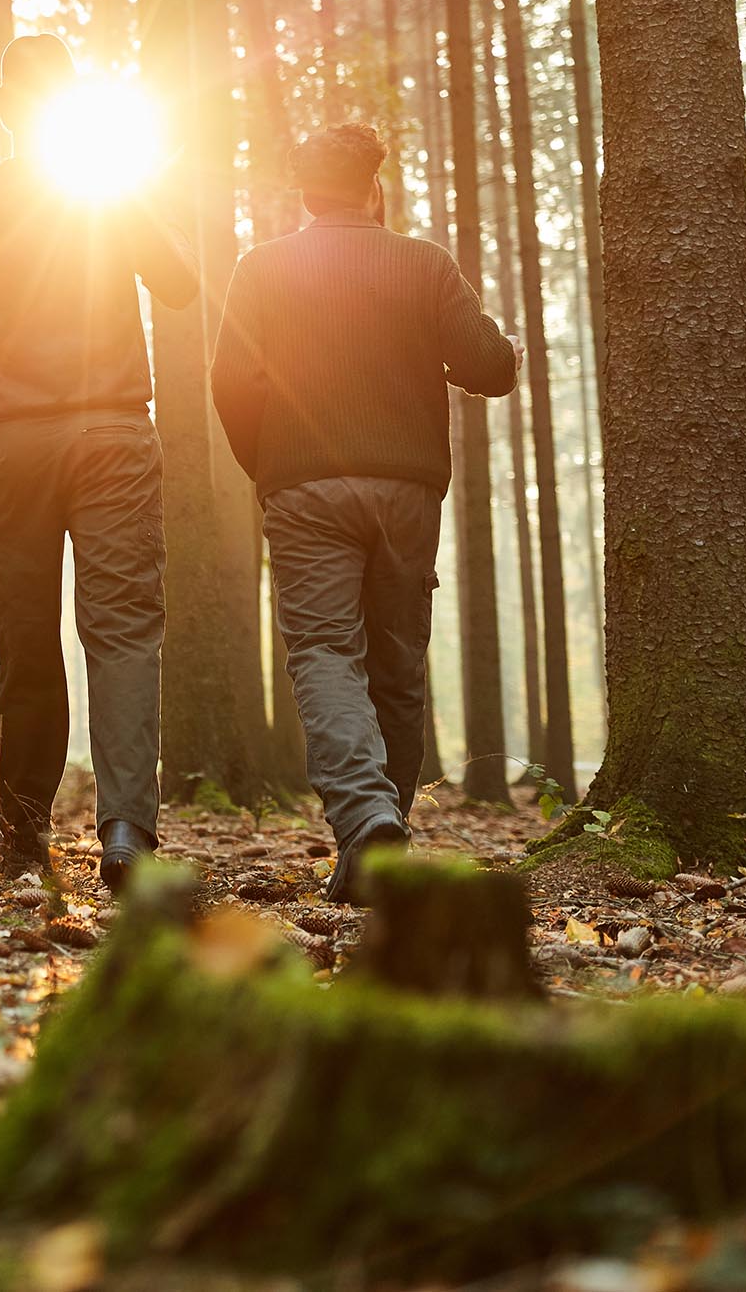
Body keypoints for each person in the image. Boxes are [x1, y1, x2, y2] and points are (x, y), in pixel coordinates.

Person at [0, 33, 196, 892]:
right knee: (123, 630)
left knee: (25, 632)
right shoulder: (112, 188)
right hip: (114, 434)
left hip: (18, 441)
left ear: (7, 116)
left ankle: (23, 825)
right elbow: (181, 282)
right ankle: (126, 831)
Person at [208, 122, 520, 904]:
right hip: (407, 491)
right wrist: (508, 346)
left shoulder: (261, 267)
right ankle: (382, 827)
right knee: (397, 663)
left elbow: (230, 383)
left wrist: (269, 467)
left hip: (304, 489)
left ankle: (367, 818)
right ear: (374, 187)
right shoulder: (425, 263)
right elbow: (488, 367)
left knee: (323, 650)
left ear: (306, 193)